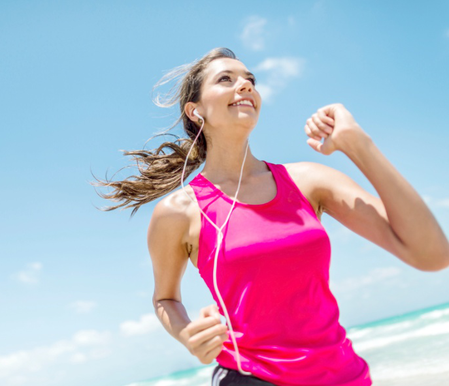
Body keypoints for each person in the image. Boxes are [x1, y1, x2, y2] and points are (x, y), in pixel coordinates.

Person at [92, 47, 449, 386]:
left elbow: (430, 254)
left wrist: (359, 145)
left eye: (249, 79)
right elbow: (164, 298)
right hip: (249, 377)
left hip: (343, 375)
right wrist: (186, 333)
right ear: (194, 111)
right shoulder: (181, 212)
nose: (245, 85)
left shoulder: (310, 182)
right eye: (225, 80)